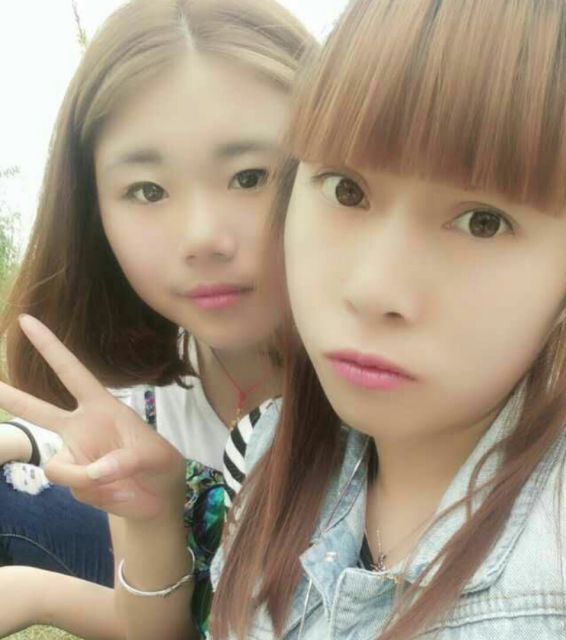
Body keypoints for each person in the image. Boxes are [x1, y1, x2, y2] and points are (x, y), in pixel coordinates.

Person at [2, 0, 566, 639]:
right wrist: (108, 498)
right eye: (347, 191)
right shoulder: (260, 448)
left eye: (483, 222)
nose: (202, 238)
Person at [0, 0, 314, 637]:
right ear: (93, 215)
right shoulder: (158, 385)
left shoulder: (393, 385)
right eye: (147, 190)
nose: (202, 238)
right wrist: (142, 516)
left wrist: (39, 594)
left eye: (250, 176)